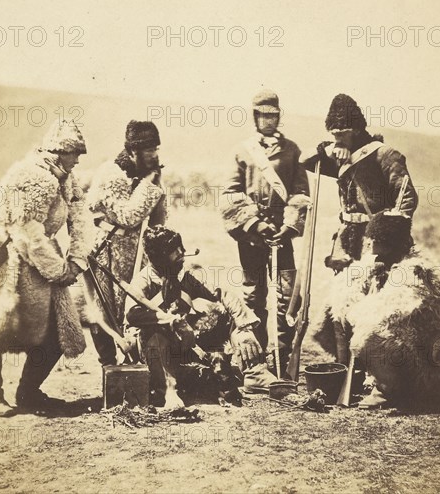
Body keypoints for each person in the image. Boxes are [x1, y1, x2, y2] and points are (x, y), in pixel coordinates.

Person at [0, 119, 91, 416]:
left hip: (42, 262)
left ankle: (28, 393)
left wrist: (77, 258)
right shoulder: (31, 177)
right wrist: (60, 271)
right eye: (75, 153)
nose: (78, 159)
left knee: (59, 332)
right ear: (60, 151)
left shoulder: (66, 179)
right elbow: (27, 233)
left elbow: (80, 217)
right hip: (8, 262)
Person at [313, 210, 440, 408]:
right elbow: (344, 291)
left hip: (418, 348)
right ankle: (365, 376)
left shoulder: (415, 270)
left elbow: (387, 313)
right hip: (401, 339)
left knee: (368, 336)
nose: (368, 243)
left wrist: (355, 311)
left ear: (389, 244)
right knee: (333, 310)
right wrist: (346, 302)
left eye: (375, 239)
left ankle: (391, 389)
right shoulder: (377, 262)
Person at [124, 226, 276, 407]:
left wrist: (244, 327)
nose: (181, 254)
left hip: (186, 342)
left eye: (181, 249)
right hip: (154, 350)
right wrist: (169, 320)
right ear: (159, 257)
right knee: (155, 335)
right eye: (175, 252)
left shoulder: (184, 276)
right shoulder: (144, 280)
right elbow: (133, 315)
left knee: (225, 314)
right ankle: (168, 390)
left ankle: (254, 374)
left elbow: (223, 294)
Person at [221, 89, 310, 377]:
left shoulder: (292, 150)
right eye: (263, 116)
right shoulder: (242, 151)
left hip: (282, 234)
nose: (269, 121)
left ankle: (282, 358)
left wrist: (288, 226)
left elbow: (300, 193)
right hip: (252, 236)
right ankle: (256, 361)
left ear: (279, 117)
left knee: (286, 296)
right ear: (255, 117)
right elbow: (230, 193)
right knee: (253, 296)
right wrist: (256, 224)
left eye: (273, 116)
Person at [301, 93, 418, 270]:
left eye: (342, 134)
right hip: (348, 236)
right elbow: (304, 161)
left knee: (377, 288)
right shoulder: (340, 157)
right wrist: (329, 149)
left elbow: (406, 197)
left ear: (356, 130)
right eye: (334, 135)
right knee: (347, 292)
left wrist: (387, 237)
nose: (337, 139)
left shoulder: (384, 155)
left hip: (377, 239)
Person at [85, 121, 167, 365]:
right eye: (149, 150)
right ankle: (109, 369)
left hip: (138, 253)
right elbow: (128, 216)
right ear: (133, 152)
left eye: (156, 148)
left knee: (136, 308)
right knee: (104, 310)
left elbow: (158, 221)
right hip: (107, 253)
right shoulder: (111, 175)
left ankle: (138, 368)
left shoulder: (148, 175)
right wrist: (150, 186)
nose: (155, 155)